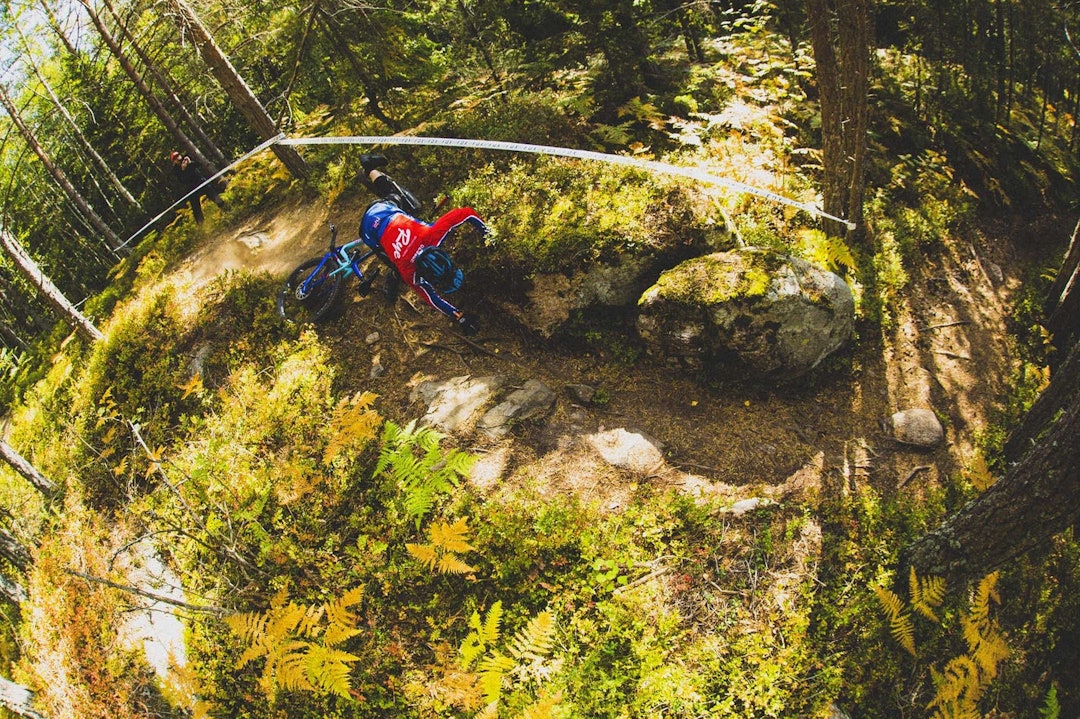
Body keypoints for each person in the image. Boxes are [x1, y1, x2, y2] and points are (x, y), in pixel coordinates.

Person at [358, 154, 485, 335]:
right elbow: (431, 298)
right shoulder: (409, 272)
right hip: (368, 232)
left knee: (397, 197)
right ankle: (392, 278)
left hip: (380, 212)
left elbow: (466, 213)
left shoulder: (432, 237)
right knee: (392, 261)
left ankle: (370, 169)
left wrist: (486, 232)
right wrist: (458, 315)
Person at [169, 150, 226, 224]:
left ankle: (225, 208)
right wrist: (183, 170)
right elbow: (183, 181)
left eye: (178, 156)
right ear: (174, 161)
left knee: (213, 195)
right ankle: (201, 225)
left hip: (200, 182)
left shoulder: (187, 158)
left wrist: (190, 163)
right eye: (176, 158)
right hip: (191, 189)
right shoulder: (176, 170)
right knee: (196, 208)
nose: (178, 159)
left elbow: (199, 164)